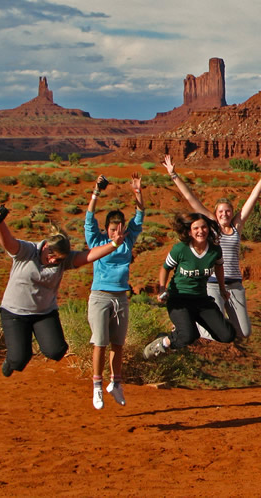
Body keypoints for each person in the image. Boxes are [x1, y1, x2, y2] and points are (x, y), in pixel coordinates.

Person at [0, 204, 120, 378]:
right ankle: (12, 359)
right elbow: (8, 242)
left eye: (58, 259)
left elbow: (87, 256)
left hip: (43, 313)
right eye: (51, 254)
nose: (53, 260)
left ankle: (28, 345)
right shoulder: (27, 251)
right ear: (46, 245)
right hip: (14, 312)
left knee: (57, 351)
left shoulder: (62, 262)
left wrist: (113, 245)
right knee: (19, 359)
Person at [163, 153, 261, 343]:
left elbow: (252, 199)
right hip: (212, 283)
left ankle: (193, 324)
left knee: (244, 332)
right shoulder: (210, 226)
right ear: (215, 213)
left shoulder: (237, 226)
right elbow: (191, 198)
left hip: (235, 284)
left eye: (227, 210)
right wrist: (173, 175)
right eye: (220, 211)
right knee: (209, 331)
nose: (224, 214)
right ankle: (185, 324)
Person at [84, 173, 145, 410]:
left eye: (119, 228)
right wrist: (96, 192)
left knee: (118, 344)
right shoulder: (97, 241)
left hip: (121, 296)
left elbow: (140, 215)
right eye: (112, 228)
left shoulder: (128, 240)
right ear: (106, 229)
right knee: (100, 343)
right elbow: (89, 219)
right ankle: (97, 386)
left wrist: (138, 192)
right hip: (100, 296)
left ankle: (115, 384)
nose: (116, 232)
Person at [142, 213, 236, 358]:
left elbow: (219, 267)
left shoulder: (214, 250)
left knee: (227, 335)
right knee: (188, 336)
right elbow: (165, 268)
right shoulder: (180, 249)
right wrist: (162, 288)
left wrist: (222, 289)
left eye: (204, 227)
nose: (201, 231)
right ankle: (163, 342)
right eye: (196, 228)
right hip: (179, 299)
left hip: (201, 299)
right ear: (189, 231)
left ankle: (184, 327)